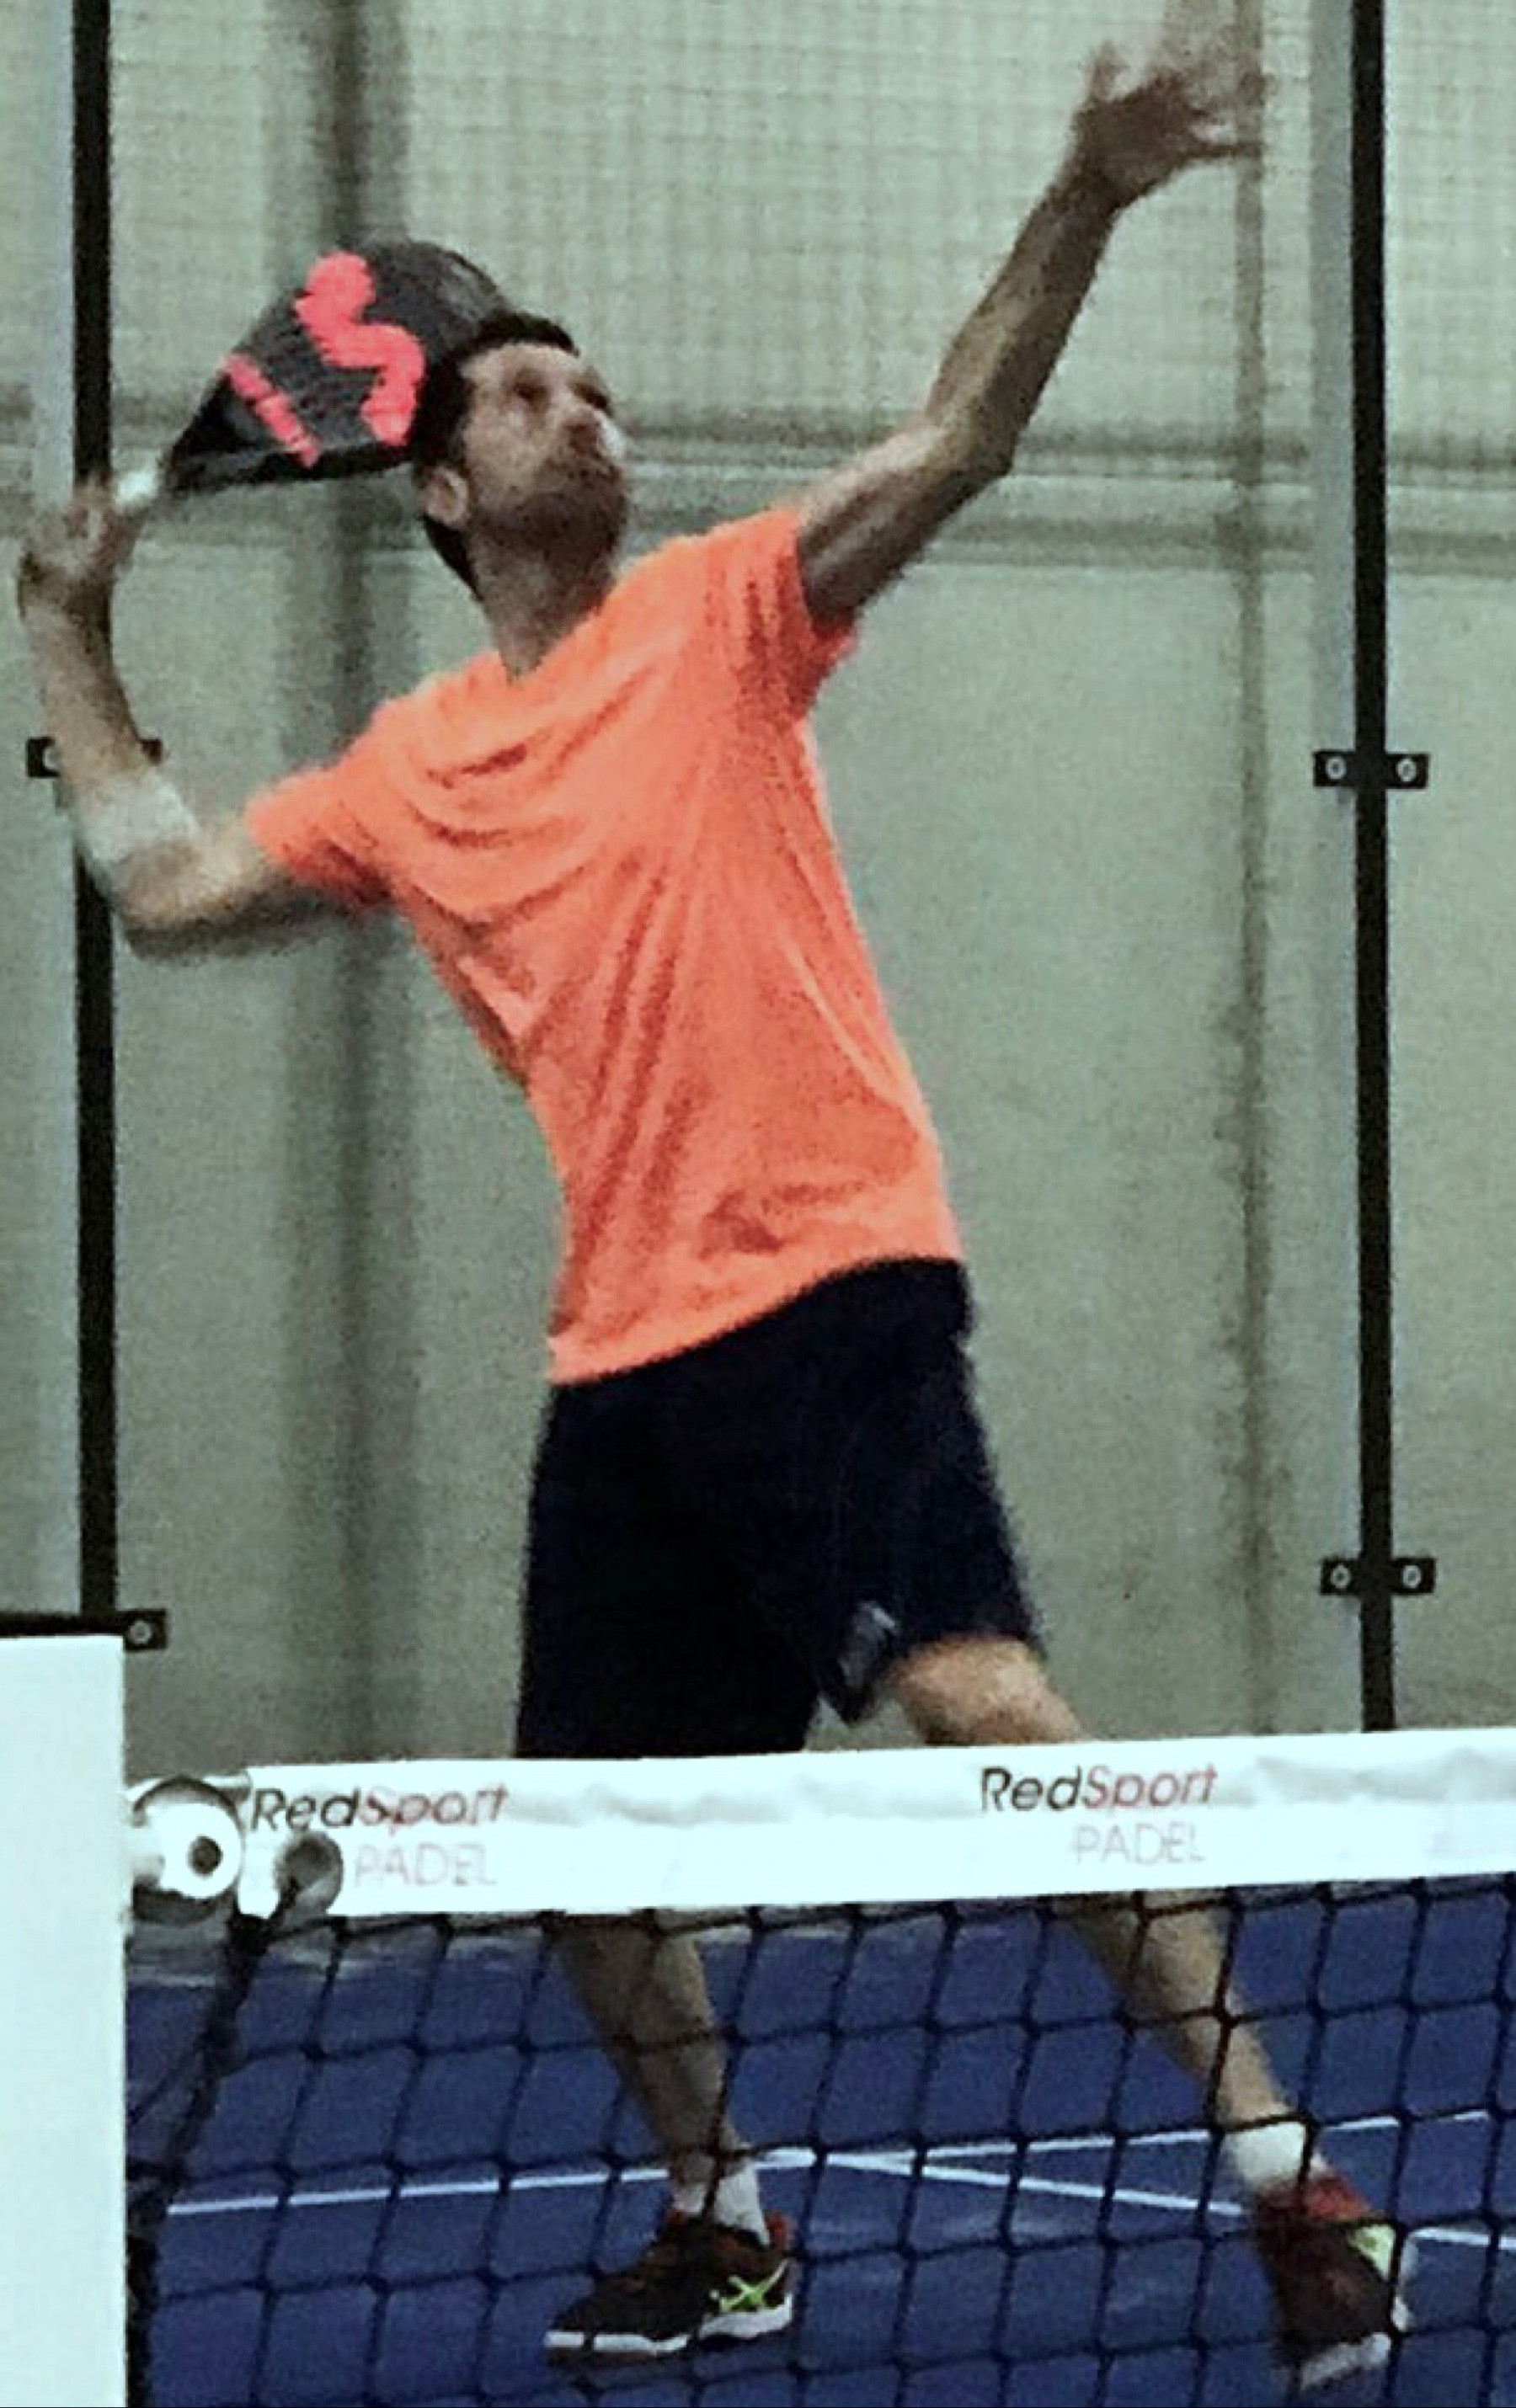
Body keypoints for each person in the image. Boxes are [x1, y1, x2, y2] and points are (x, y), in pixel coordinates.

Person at [19, 12, 1407, 2387]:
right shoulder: (411, 770)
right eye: (526, 394)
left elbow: (958, 435)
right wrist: (64, 629)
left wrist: (1085, 189)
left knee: (979, 1699)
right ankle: (721, 2216)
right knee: (577, 1844)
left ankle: (1295, 2179)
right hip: (624, 1359)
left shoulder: (727, 611)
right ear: (437, 492)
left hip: (836, 1279)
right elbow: (160, 886)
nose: (586, 413)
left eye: (595, 390)